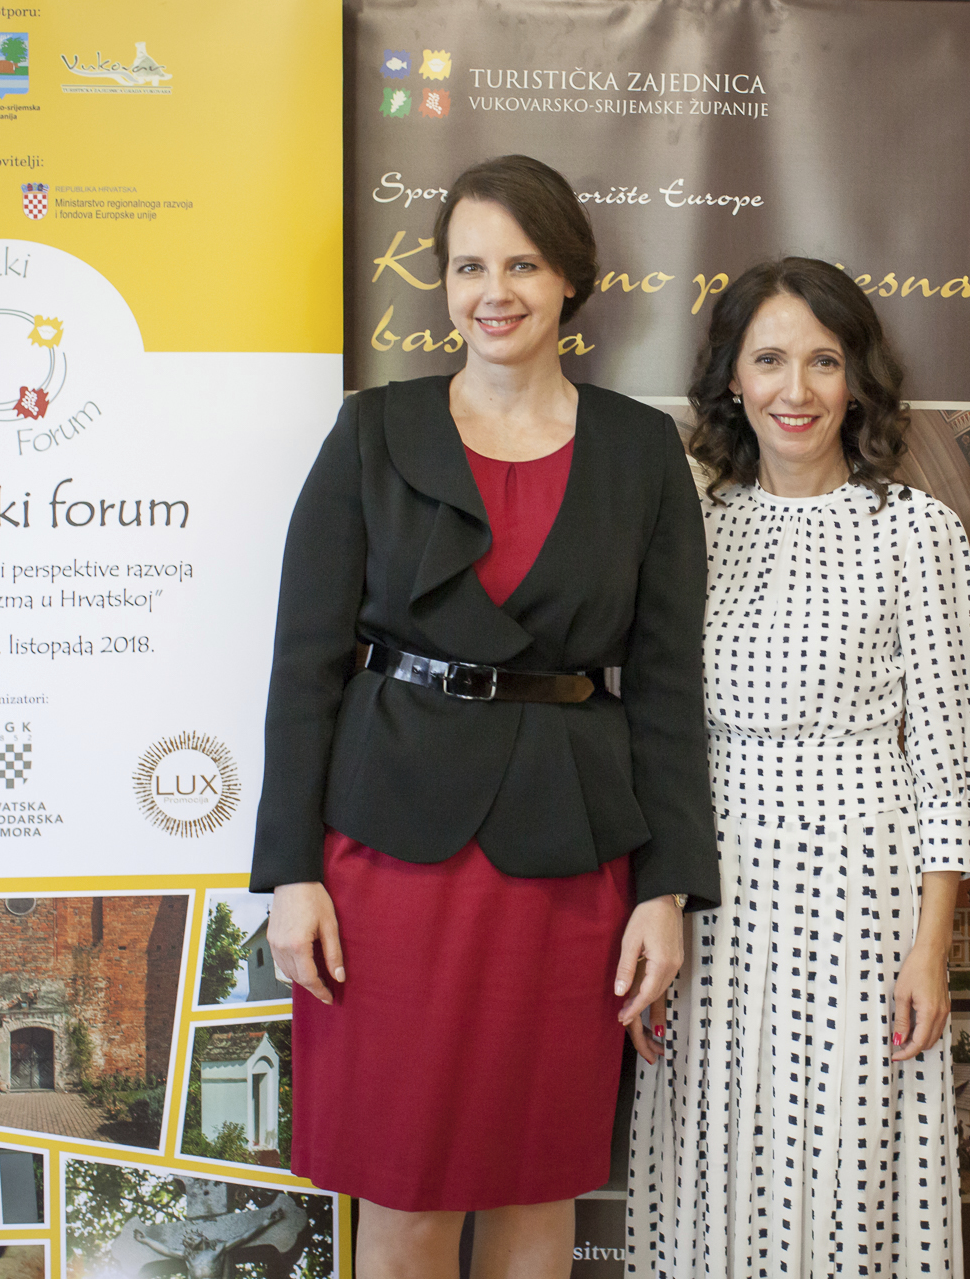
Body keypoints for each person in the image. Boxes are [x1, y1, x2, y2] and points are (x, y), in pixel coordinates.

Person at [250, 154, 718, 1279]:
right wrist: (291, 873)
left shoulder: (641, 448)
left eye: (522, 264)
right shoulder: (374, 429)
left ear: (570, 281)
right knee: (404, 1191)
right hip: (388, 856)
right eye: (468, 267)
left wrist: (667, 887)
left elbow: (665, 689)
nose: (493, 292)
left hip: (565, 858)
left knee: (536, 1185)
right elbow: (305, 664)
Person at [626, 258, 970, 1278]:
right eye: (770, 360)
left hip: (863, 893)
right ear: (732, 379)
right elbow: (657, 733)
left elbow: (948, 761)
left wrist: (930, 950)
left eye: (824, 361)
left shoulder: (915, 530)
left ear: (858, 379)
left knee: (848, 1167)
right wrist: (653, 905)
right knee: (711, 1157)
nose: (797, 389)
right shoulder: (688, 525)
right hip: (711, 888)